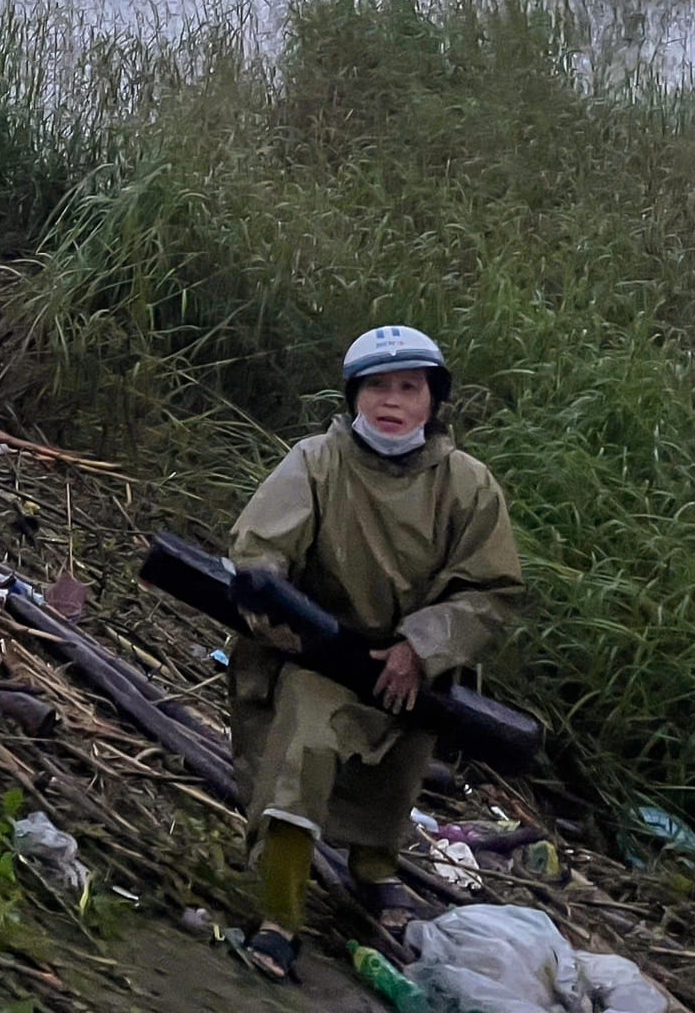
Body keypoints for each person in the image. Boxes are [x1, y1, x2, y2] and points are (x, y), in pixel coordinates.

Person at [225, 326, 525, 983]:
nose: (391, 401)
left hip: (412, 666)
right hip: (319, 653)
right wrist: (272, 601)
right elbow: (259, 551)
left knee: (397, 769)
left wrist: (421, 646)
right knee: (302, 755)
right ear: (354, 395)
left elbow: (490, 589)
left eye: (408, 388)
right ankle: (280, 918)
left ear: (433, 399)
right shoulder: (316, 462)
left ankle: (374, 875)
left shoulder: (469, 485)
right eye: (377, 386)